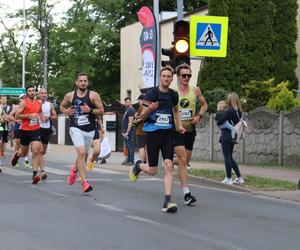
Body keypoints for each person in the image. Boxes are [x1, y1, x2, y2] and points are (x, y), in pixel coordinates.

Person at [129, 66, 185, 213]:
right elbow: (141, 116)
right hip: (153, 134)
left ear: (172, 78)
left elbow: (175, 111)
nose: (166, 78)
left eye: (169, 76)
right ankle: (138, 166)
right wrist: (149, 110)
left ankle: (167, 201)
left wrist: (179, 125)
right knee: (153, 170)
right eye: (164, 76)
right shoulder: (152, 92)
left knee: (168, 165)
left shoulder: (173, 95)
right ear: (160, 77)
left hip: (168, 134)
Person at [60, 72, 104, 193]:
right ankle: (84, 182)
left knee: (82, 155)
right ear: (76, 82)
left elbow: (101, 111)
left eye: (85, 81)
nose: (83, 83)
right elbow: (62, 106)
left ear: (87, 82)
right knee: (81, 152)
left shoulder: (93, 95)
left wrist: (90, 110)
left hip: (90, 129)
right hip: (75, 127)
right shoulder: (70, 96)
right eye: (81, 81)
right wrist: (66, 111)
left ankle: (74, 170)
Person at [174, 63, 208, 205]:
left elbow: (205, 105)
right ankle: (187, 194)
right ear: (178, 76)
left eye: (189, 75)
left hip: (190, 130)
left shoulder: (195, 91)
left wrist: (199, 116)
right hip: (176, 131)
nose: (186, 78)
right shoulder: (173, 92)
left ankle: (168, 160)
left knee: (185, 161)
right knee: (182, 159)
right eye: (184, 75)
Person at [11, 85, 44, 184]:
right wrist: (29, 115)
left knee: (36, 150)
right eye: (30, 91)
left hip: (36, 129)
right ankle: (17, 155)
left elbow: (40, 112)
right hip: (25, 130)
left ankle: (35, 175)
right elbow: (17, 116)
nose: (32, 92)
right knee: (24, 153)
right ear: (27, 93)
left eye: (33, 91)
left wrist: (42, 117)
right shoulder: (23, 103)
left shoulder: (39, 103)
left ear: (35, 92)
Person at [216, 92, 244, 185]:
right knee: (230, 157)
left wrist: (218, 121)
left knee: (227, 157)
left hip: (226, 135)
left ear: (229, 100)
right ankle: (239, 178)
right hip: (233, 136)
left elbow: (220, 121)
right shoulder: (239, 112)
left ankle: (228, 179)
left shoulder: (230, 110)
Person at [38, 88, 58, 180]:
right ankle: (42, 171)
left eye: (45, 93)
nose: (43, 94)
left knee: (43, 151)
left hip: (47, 129)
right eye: (42, 93)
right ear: (39, 94)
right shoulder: (36, 103)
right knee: (40, 151)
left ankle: (38, 159)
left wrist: (48, 117)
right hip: (37, 128)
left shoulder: (50, 104)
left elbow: (55, 116)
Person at [8, 94, 30, 168]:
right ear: (19, 99)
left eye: (25, 98)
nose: (24, 99)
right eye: (22, 98)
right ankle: (16, 160)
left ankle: (26, 161)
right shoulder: (16, 107)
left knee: (26, 145)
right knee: (17, 144)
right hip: (18, 127)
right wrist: (16, 120)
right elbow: (10, 116)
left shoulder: (28, 107)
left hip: (26, 127)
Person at [121, 97, 135, 166]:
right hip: (125, 132)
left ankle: (131, 161)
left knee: (130, 146)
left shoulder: (131, 110)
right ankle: (128, 160)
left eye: (128, 102)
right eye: (125, 102)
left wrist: (127, 132)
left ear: (130, 102)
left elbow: (130, 122)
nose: (126, 103)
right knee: (127, 146)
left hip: (128, 132)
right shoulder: (128, 110)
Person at [134, 94, 147, 163]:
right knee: (146, 148)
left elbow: (138, 118)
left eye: (139, 100)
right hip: (147, 131)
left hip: (140, 131)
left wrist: (136, 116)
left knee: (141, 148)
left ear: (142, 100)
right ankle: (146, 162)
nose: (139, 102)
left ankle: (140, 163)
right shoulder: (149, 107)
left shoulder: (142, 107)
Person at [0, 96, 12, 160]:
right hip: (0, 126)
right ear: (0, 100)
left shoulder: (9, 107)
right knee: (0, 140)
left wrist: (7, 119)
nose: (4, 100)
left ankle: (2, 152)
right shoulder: (0, 107)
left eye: (5, 99)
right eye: (2, 99)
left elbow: (11, 116)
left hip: (6, 126)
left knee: (5, 140)